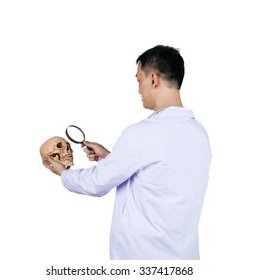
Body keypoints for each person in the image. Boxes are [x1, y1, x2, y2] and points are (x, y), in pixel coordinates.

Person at [42, 45, 212, 260]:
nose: (138, 89)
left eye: (138, 80)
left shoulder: (141, 134)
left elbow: (96, 183)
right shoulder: (199, 134)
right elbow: (159, 176)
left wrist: (63, 173)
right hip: (183, 260)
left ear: (153, 79)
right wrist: (112, 158)